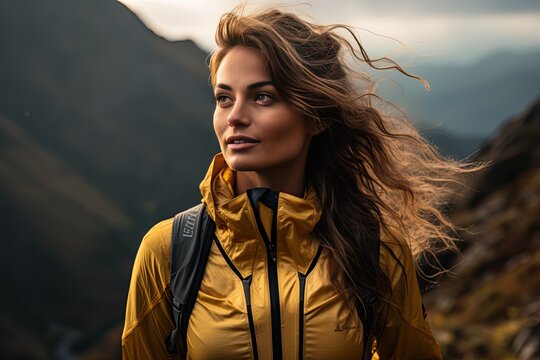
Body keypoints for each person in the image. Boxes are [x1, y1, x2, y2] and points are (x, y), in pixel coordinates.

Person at [122, 5, 476, 359]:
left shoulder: (376, 248)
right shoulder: (169, 252)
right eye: (224, 98)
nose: (235, 117)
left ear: (316, 117)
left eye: (263, 97)